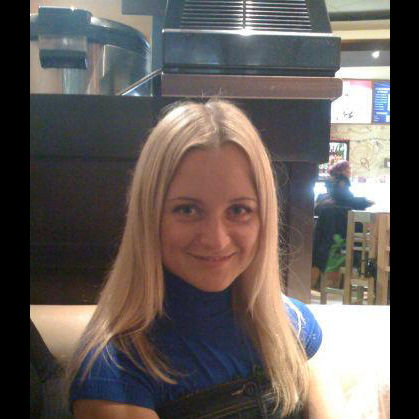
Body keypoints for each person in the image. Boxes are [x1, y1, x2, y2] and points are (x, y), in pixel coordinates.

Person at [65, 99, 346, 418]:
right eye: (187, 210)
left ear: (264, 219)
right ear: (149, 216)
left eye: (238, 210)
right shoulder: (113, 371)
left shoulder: (293, 324)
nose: (216, 239)